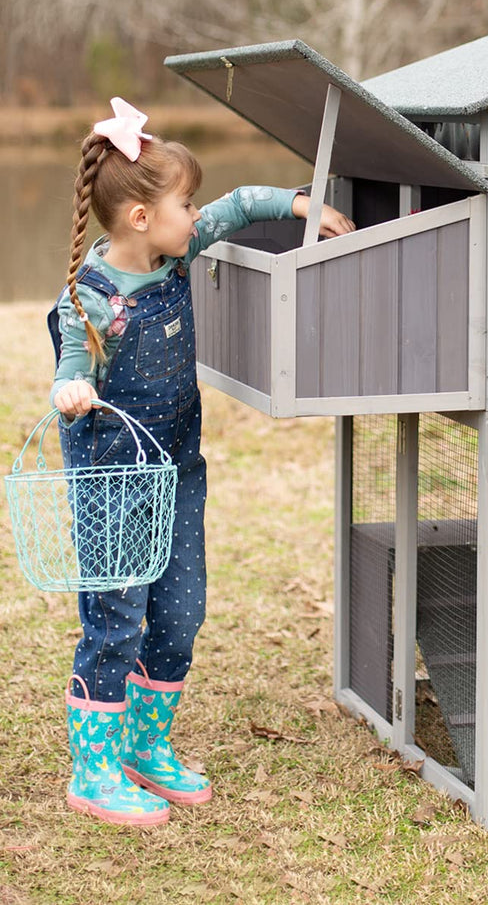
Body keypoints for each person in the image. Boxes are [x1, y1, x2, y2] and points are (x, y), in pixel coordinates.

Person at [49, 98, 354, 826]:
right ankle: (94, 768)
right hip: (113, 481)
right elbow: (67, 366)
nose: (197, 214)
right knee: (116, 620)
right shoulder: (86, 302)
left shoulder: (175, 252)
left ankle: (145, 748)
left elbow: (242, 204)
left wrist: (300, 202)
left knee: (181, 614)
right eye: (184, 203)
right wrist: (72, 388)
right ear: (140, 219)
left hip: (178, 471)